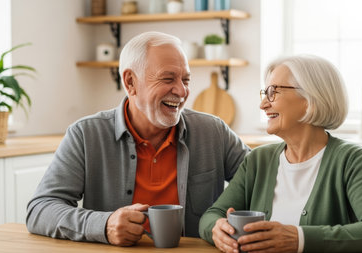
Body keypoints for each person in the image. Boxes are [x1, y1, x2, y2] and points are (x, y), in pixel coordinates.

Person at [26, 31, 251, 246]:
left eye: (186, 80)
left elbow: (264, 182)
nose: (182, 91)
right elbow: (40, 209)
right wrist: (104, 225)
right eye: (168, 78)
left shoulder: (213, 131)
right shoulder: (85, 135)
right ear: (130, 82)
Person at [199, 55, 362, 253]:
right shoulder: (258, 160)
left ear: (310, 97)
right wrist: (217, 228)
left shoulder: (350, 159)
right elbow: (212, 215)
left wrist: (299, 239)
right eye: (265, 93)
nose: (263, 104)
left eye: (273, 92)